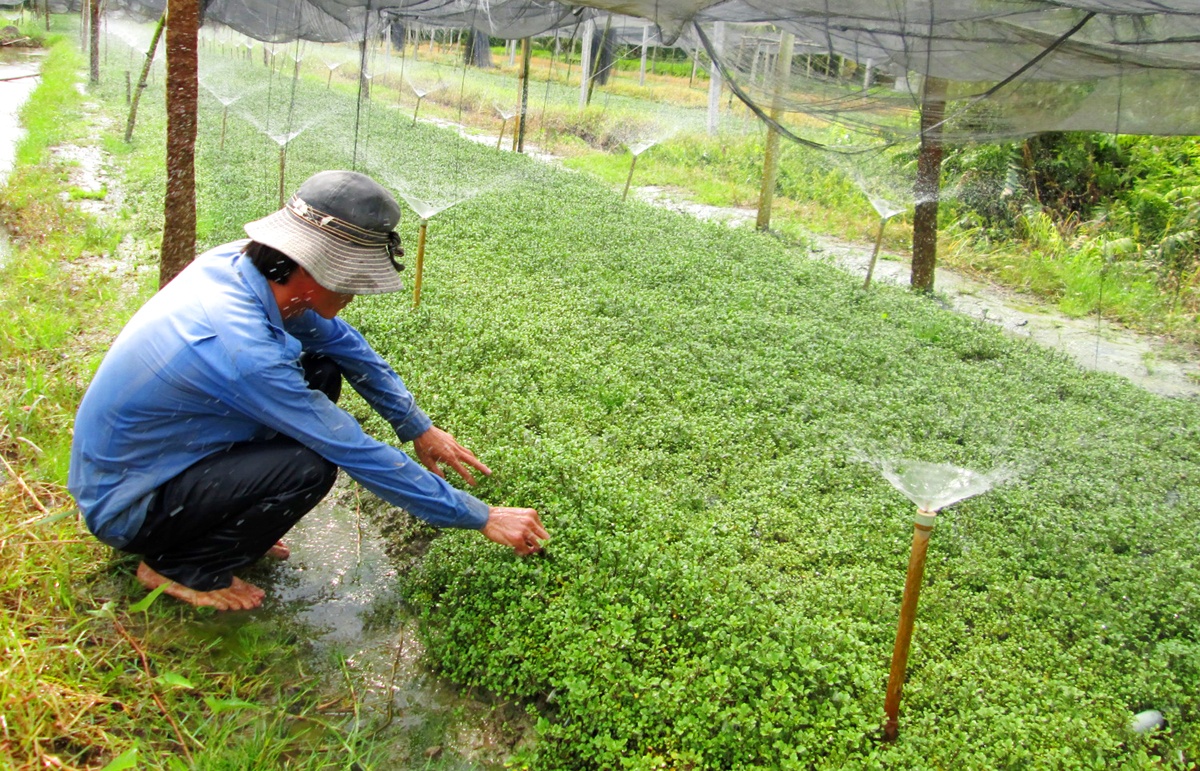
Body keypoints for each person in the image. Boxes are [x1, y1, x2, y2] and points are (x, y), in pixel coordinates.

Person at [69, 170, 549, 612]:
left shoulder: (248, 268)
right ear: (313, 270)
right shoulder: (244, 349)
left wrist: (418, 428)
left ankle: (218, 529)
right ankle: (177, 566)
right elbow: (352, 449)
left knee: (322, 366)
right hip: (128, 503)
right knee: (310, 466)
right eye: (352, 280)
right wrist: (480, 515)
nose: (355, 294)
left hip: (163, 456)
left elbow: (350, 349)